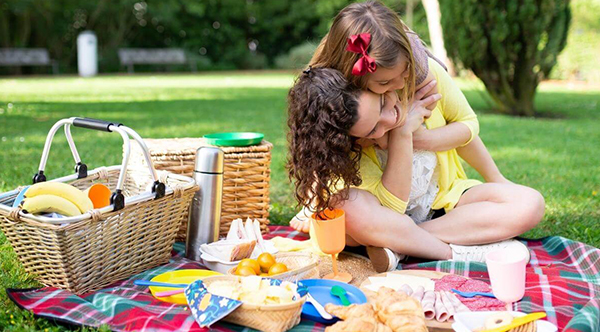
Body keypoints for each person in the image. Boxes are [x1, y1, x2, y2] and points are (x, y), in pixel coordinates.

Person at [287, 2, 545, 272]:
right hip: (383, 212)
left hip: (441, 202)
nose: (398, 86)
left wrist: (415, 136)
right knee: (347, 211)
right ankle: (453, 250)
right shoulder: (346, 112)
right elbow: (390, 208)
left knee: (529, 203)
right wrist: (400, 134)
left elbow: (467, 127)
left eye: (404, 74)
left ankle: (400, 245)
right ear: (355, 80)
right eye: (385, 85)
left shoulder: (423, 78)